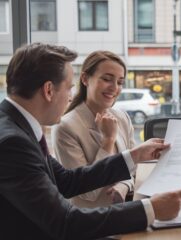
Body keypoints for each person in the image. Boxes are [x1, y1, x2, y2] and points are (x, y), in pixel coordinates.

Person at [0, 42, 181, 240]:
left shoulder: (17, 126)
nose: (70, 97)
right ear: (49, 90)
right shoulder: (13, 144)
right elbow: (66, 222)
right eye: (68, 88)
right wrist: (151, 209)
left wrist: (135, 155)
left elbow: (66, 180)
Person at [52, 51, 136, 208]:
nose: (114, 87)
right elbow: (86, 191)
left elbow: (133, 165)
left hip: (125, 212)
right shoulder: (65, 127)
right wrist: (108, 141)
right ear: (85, 79)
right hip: (90, 221)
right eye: (106, 79)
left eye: (120, 82)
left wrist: (124, 186)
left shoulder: (122, 117)